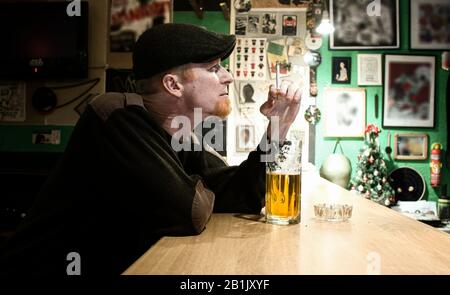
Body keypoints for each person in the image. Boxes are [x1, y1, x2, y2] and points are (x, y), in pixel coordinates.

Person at [0, 23, 302, 275]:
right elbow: (191, 211)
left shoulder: (179, 134)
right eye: (213, 68)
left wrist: (278, 128)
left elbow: (241, 195)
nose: (229, 76)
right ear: (173, 84)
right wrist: (201, 187)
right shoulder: (116, 114)